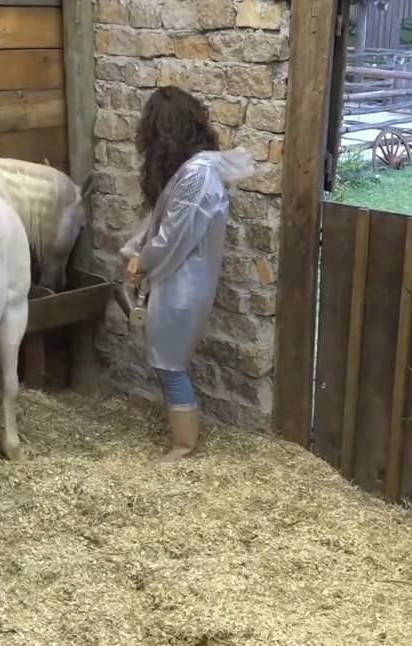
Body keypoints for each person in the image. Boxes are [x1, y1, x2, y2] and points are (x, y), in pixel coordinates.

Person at [121, 86, 253, 462]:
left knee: (170, 362)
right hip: (179, 279)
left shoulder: (197, 176)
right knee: (166, 362)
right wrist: (139, 253)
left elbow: (172, 234)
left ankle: (184, 447)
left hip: (183, 284)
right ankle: (182, 441)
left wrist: (142, 261)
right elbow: (164, 226)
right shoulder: (196, 170)